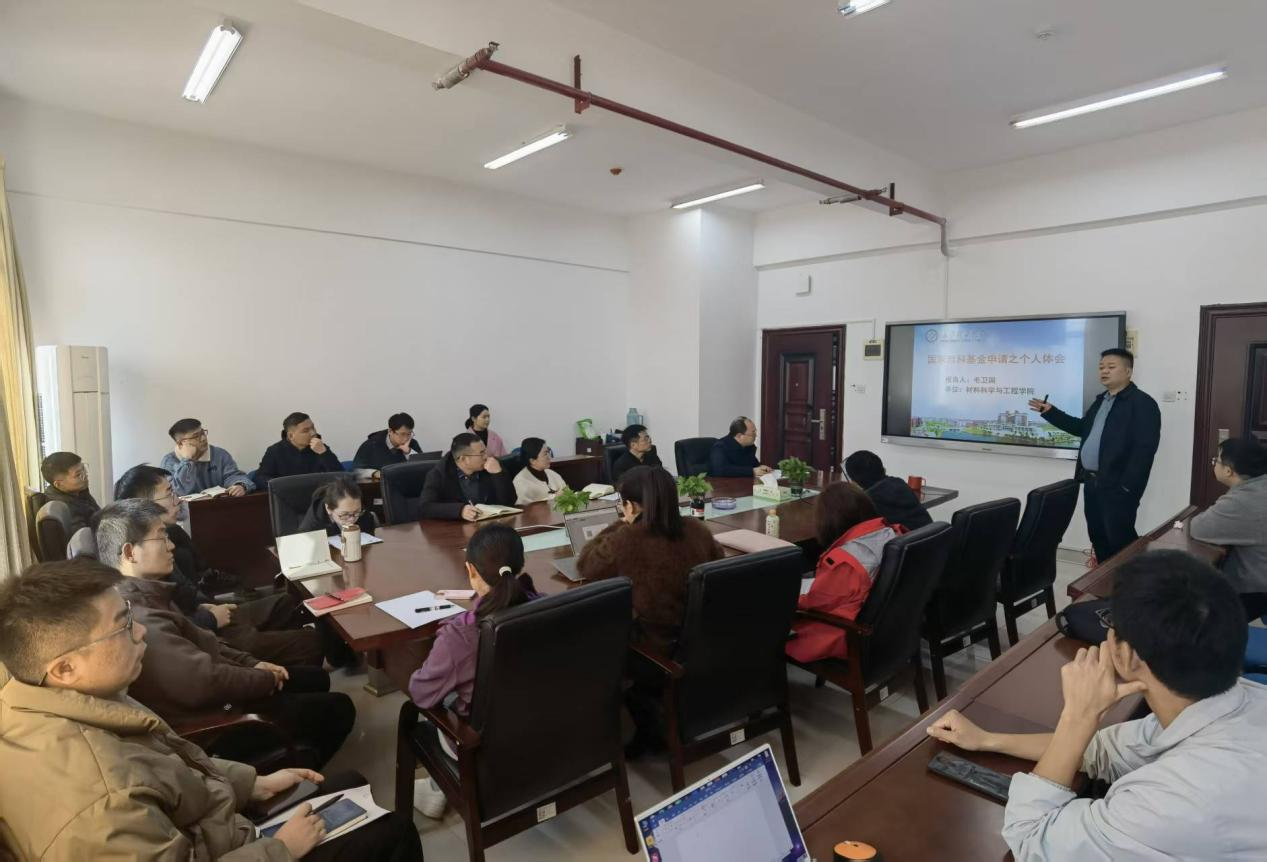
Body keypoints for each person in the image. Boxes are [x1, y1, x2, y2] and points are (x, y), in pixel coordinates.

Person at [0, 559, 422, 862]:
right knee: (393, 831)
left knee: (350, 786)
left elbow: (168, 766)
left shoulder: (54, 699)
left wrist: (249, 782)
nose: (141, 631)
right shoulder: (99, 804)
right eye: (122, 626)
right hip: (237, 847)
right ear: (65, 668)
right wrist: (280, 849)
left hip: (213, 827)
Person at [927, 550, 1267, 861]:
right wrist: (987, 739)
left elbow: (1032, 840)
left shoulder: (1174, 803)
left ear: (1127, 655)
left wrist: (1078, 715)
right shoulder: (1234, 700)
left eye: (1109, 624)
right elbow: (1104, 750)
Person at [95, 499, 355, 769]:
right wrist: (264, 678)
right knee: (340, 707)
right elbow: (205, 682)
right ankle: (292, 777)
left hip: (220, 692)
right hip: (215, 720)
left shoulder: (149, 591)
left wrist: (253, 663)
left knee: (315, 678)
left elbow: (207, 641)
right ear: (130, 552)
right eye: (162, 538)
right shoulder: (140, 615)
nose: (171, 546)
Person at [114, 464, 325, 668]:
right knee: (311, 640)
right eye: (170, 493)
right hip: (209, 633)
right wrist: (209, 618)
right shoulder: (144, 561)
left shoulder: (170, 535)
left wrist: (205, 606)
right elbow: (173, 630)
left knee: (288, 603)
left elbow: (187, 592)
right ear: (145, 504)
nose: (178, 499)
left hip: (207, 613)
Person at [577, 466, 724, 757]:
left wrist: (622, 524)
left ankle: (641, 721)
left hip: (653, 650)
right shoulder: (697, 530)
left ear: (630, 506)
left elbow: (586, 565)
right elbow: (717, 561)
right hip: (698, 642)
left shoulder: (625, 540)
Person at [407, 524, 538, 818]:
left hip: (486, 745)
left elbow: (421, 694)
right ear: (520, 564)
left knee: (438, 700)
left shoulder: (460, 635)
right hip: (543, 725)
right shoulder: (546, 605)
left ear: (471, 571)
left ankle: (436, 788)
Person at [1029, 348, 1161, 564]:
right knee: (1098, 537)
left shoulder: (1142, 403)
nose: (1104, 371)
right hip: (1092, 482)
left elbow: (1144, 451)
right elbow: (1081, 428)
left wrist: (1127, 487)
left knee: (1120, 540)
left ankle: (1132, 582)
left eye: (1111, 367)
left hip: (1118, 486)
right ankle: (1105, 581)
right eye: (1101, 367)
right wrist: (1050, 412)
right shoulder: (1101, 401)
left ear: (1128, 372)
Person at [786, 482, 904, 663]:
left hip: (844, 636)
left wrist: (784, 594)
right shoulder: (890, 534)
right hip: (890, 631)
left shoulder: (846, 561)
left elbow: (816, 601)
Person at [1190, 437, 1267, 619]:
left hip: (1257, 591)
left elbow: (1199, 528)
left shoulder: (1243, 501)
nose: (1214, 464)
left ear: (1228, 470)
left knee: (1194, 610)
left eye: (1216, 460)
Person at [418, 432, 514, 521]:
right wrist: (460, 510)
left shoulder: (492, 465)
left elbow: (510, 502)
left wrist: (498, 475)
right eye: (481, 453)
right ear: (463, 459)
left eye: (485, 451)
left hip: (492, 524)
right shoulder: (439, 474)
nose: (486, 457)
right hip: (456, 529)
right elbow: (425, 507)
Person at [842, 449, 932, 532]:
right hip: (931, 538)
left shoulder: (867, 502)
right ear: (884, 470)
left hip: (909, 543)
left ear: (854, 482)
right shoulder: (899, 483)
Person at [159, 418, 254, 497]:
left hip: (219, 507)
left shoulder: (219, 454)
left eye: (203, 433)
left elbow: (233, 476)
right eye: (196, 436)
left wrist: (241, 485)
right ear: (181, 444)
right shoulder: (169, 462)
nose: (203, 438)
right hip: (187, 512)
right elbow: (176, 492)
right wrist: (187, 461)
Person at [255, 412, 343, 489]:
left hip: (319, 496)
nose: (313, 433)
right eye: (306, 431)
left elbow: (341, 476)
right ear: (290, 436)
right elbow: (260, 478)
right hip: (288, 497)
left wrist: (324, 453)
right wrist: (282, 486)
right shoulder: (275, 451)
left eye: (313, 428)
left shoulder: (321, 448)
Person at [298, 474, 379, 537]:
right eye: (345, 514)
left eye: (357, 511)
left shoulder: (361, 512)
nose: (352, 519)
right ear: (328, 509)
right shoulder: (312, 527)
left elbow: (369, 538)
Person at [40, 450, 100, 533]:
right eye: (78, 475)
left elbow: (100, 515)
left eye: (84, 468)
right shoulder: (64, 509)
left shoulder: (79, 491)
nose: (85, 475)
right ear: (58, 484)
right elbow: (85, 537)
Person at [353, 411, 423, 470]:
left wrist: (408, 453)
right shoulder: (371, 445)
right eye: (402, 434)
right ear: (390, 431)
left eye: (409, 434)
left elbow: (423, 468)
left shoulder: (413, 444)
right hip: (378, 482)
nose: (406, 438)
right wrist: (375, 474)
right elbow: (356, 471)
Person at [709, 416, 774, 478]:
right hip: (725, 484)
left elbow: (753, 464)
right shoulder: (720, 447)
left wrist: (760, 467)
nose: (756, 435)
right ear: (740, 436)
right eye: (753, 433)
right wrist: (752, 471)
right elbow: (719, 470)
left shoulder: (748, 446)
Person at [512, 437, 569, 504]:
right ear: (532, 461)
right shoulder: (520, 482)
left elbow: (567, 492)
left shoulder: (551, 473)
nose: (549, 457)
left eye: (548, 452)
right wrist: (554, 497)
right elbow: (525, 507)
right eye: (545, 454)